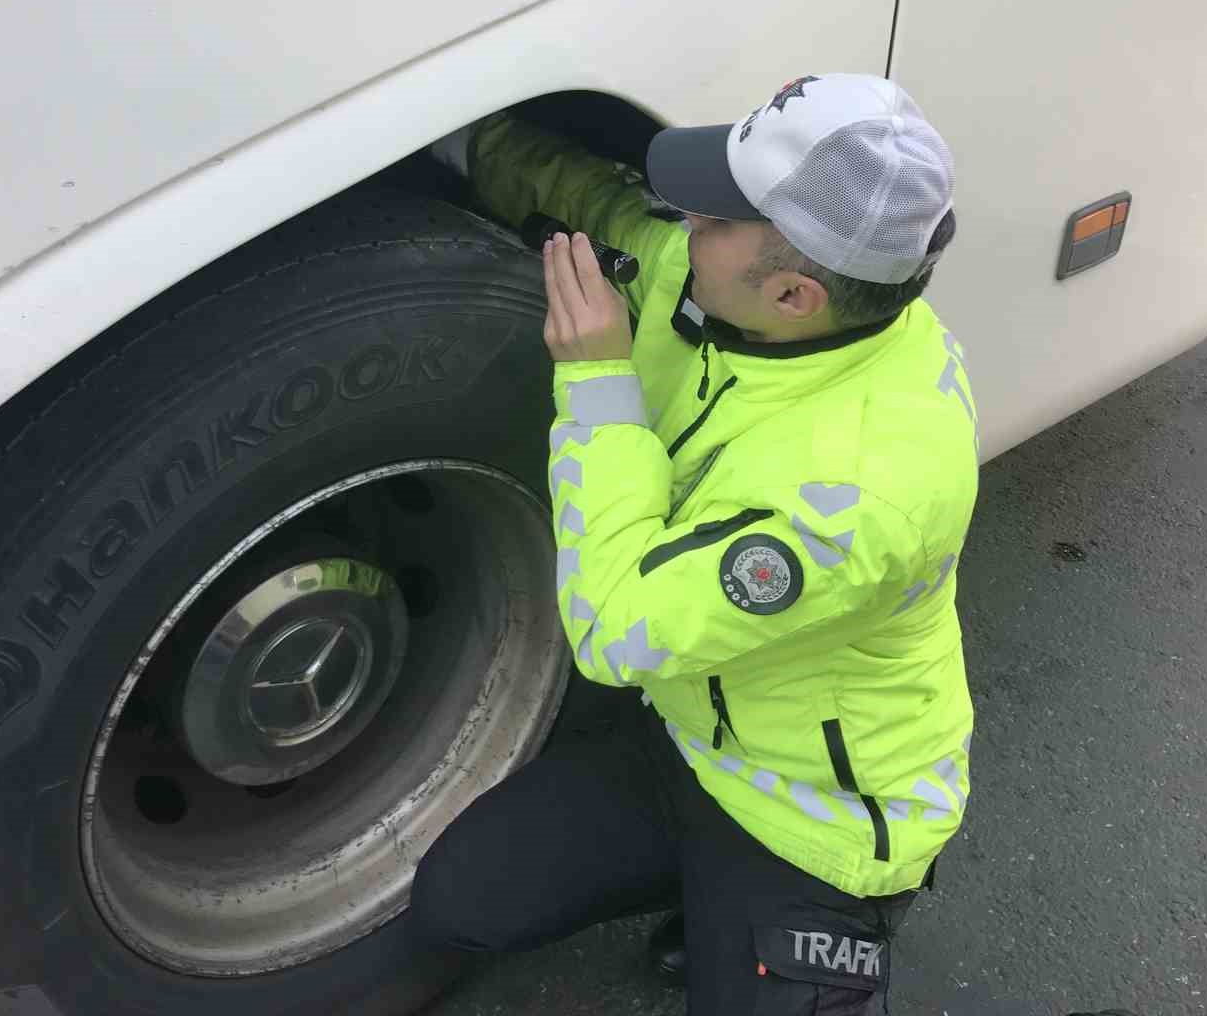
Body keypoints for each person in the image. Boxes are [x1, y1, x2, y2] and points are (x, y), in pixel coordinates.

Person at [411, 75, 1125, 1016]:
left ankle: (816, 922)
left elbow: (615, 628)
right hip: (694, 731)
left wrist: (597, 383)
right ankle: (713, 910)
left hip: (809, 812)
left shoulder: (860, 496)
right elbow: (600, 205)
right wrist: (458, 138)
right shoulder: (760, 288)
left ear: (791, 293)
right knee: (462, 900)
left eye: (714, 219)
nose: (683, 220)